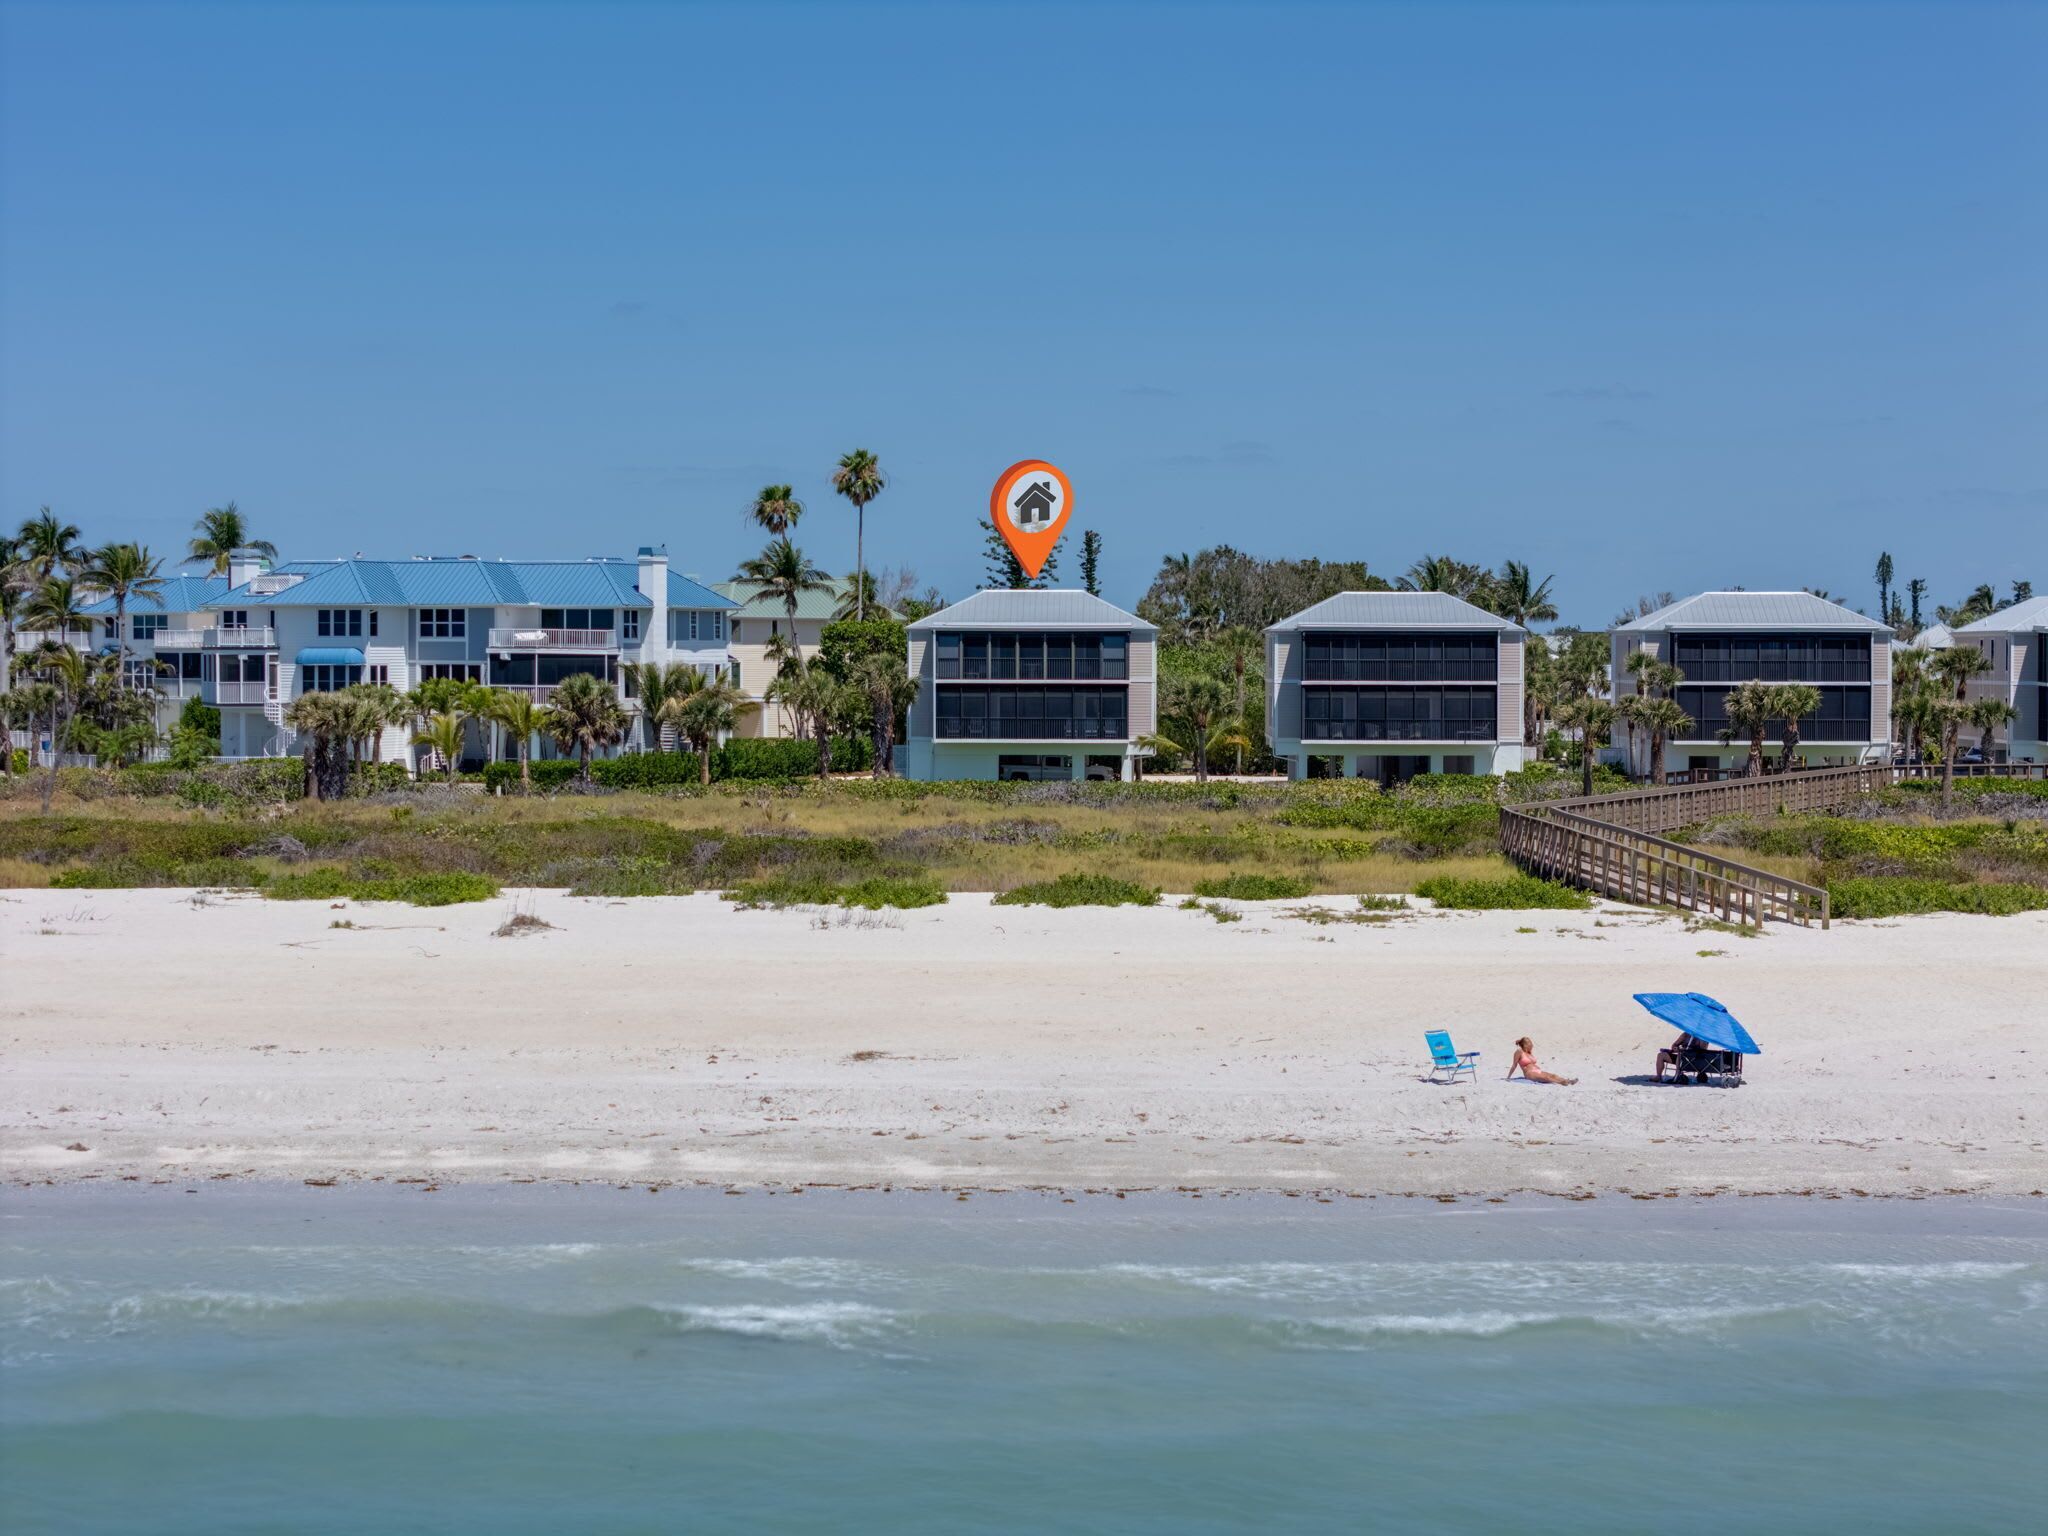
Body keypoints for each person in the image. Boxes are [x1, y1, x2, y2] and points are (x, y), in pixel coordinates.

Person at [1507, 1036, 1576, 1086]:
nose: (1531, 1045)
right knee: (1547, 1078)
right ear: (1525, 1044)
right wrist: (1508, 1077)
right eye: (1529, 1043)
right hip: (1529, 1073)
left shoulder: (1529, 1052)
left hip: (1538, 1070)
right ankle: (1563, 1082)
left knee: (1553, 1075)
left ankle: (1569, 1081)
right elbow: (1514, 1065)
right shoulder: (1519, 1051)